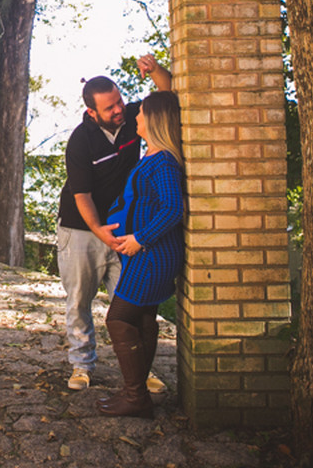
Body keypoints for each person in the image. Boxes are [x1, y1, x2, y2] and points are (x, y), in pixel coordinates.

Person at [58, 55, 171, 391]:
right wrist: (100, 233)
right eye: (109, 108)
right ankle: (81, 366)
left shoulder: (134, 115)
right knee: (79, 299)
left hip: (124, 226)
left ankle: (140, 370)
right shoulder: (81, 140)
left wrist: (155, 71)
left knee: (133, 299)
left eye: (119, 101)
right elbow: (82, 196)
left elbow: (168, 93)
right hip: (81, 228)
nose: (119, 110)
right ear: (92, 112)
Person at [95, 91, 185, 417]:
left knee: (118, 319)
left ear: (155, 120)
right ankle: (137, 392)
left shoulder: (163, 162)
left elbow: (174, 207)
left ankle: (136, 397)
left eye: (142, 113)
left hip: (152, 255)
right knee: (144, 318)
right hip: (146, 253)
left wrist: (141, 239)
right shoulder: (153, 155)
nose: (136, 118)